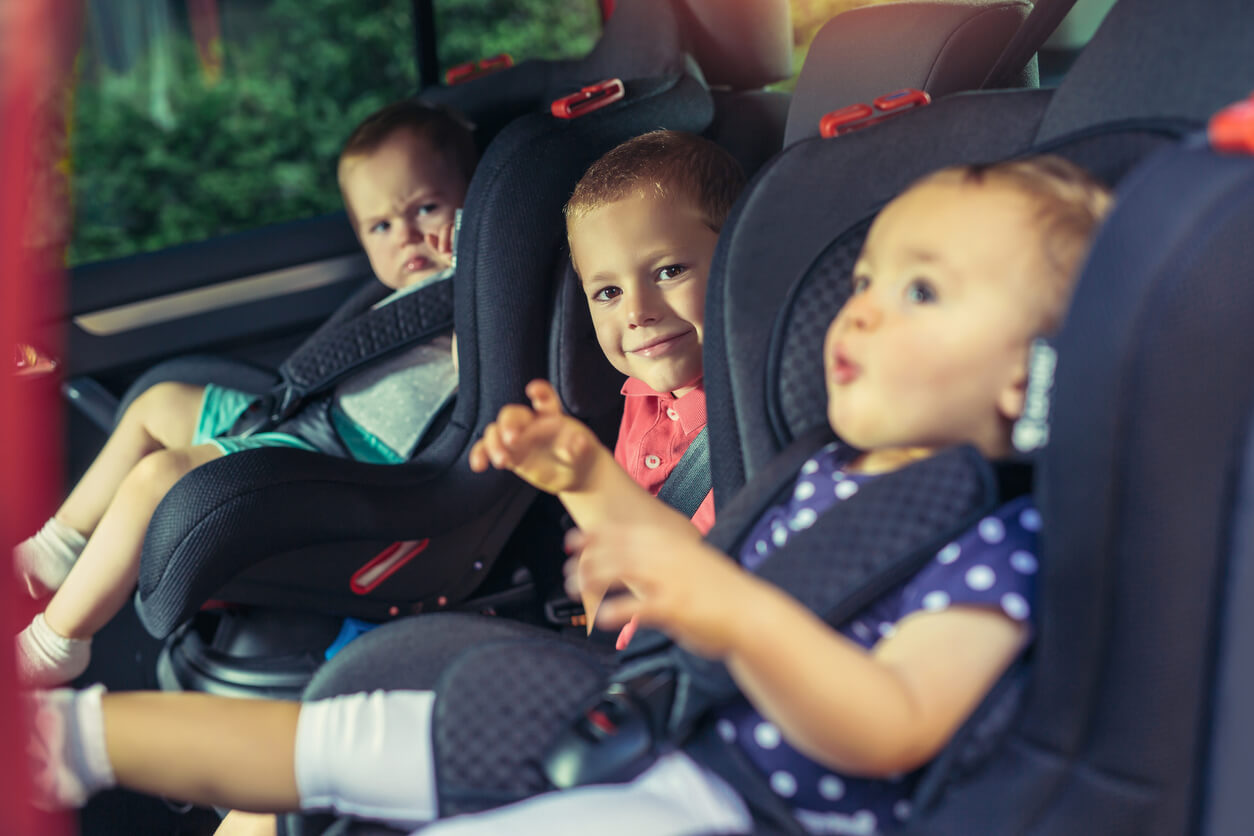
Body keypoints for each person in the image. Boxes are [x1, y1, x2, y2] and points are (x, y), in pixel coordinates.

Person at [26, 155, 1112, 836]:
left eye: (920, 290)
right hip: (666, 714)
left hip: (733, 798)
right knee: (353, 737)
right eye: (866, 279)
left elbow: (892, 723)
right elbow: (693, 560)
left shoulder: (1002, 545)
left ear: (1034, 372)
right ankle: (62, 740)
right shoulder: (820, 467)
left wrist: (724, 608)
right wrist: (588, 478)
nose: (861, 310)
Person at [11, 99, 477, 686]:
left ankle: (59, 641)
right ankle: (57, 549)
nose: (406, 236)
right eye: (380, 226)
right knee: (157, 405)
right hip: (308, 418)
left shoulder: (470, 289)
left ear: (471, 206)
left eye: (426, 209)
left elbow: (480, 369)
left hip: (349, 461)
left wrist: (468, 257)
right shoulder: (400, 294)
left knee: (159, 480)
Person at [471, 129, 744, 645]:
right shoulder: (639, 401)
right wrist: (577, 481)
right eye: (609, 292)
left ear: (738, 253)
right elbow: (610, 564)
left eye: (668, 270)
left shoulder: (749, 415)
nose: (637, 313)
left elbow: (712, 591)